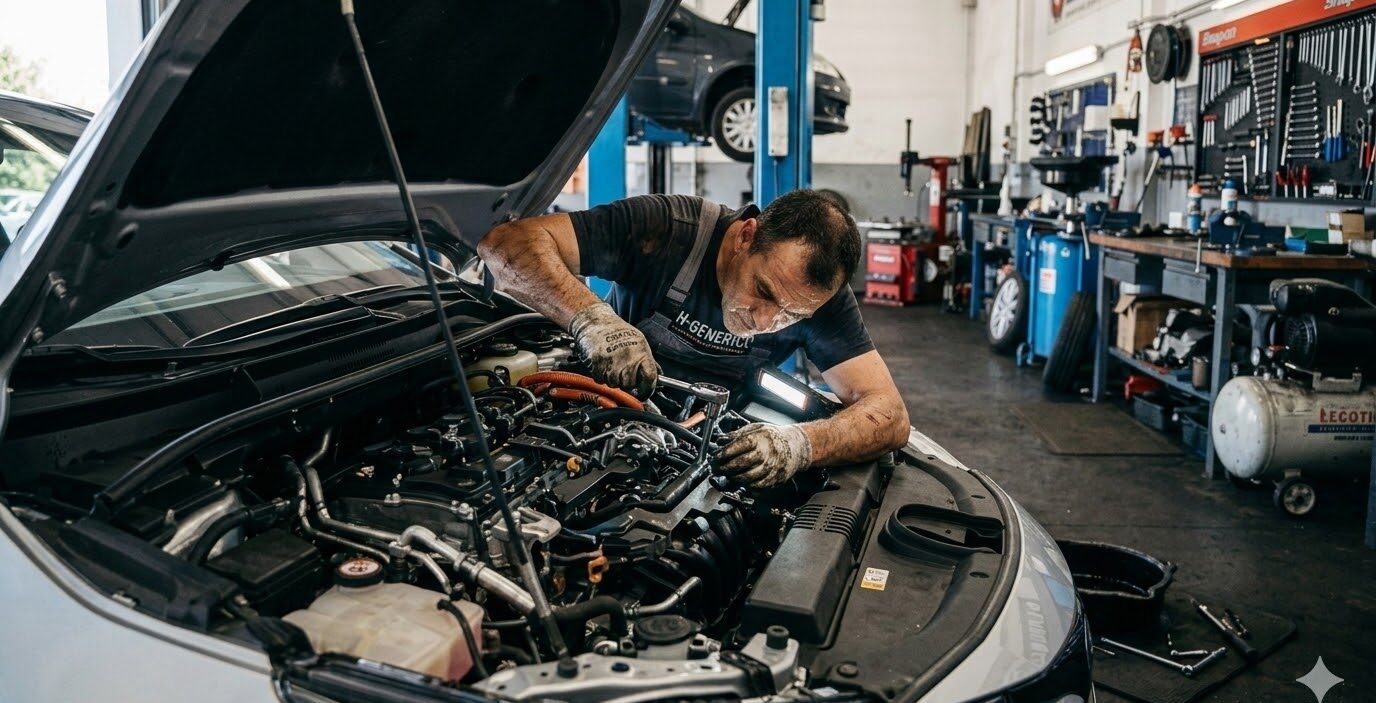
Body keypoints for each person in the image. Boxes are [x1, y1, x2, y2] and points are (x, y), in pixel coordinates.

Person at [479, 190, 908, 487]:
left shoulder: (816, 294)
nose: (766, 320)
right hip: (606, 411)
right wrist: (592, 320)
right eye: (764, 292)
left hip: (719, 442)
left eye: (793, 315)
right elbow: (506, 243)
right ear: (745, 235)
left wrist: (800, 444)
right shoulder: (670, 230)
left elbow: (889, 413)